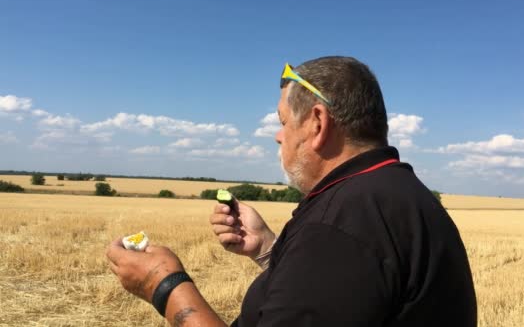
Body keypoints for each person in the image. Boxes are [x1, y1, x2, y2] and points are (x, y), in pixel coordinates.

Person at [106, 56, 477, 326]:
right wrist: (269, 249)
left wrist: (164, 285)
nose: (278, 135)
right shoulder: (397, 194)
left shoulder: (343, 225)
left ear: (317, 123)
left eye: (283, 122)